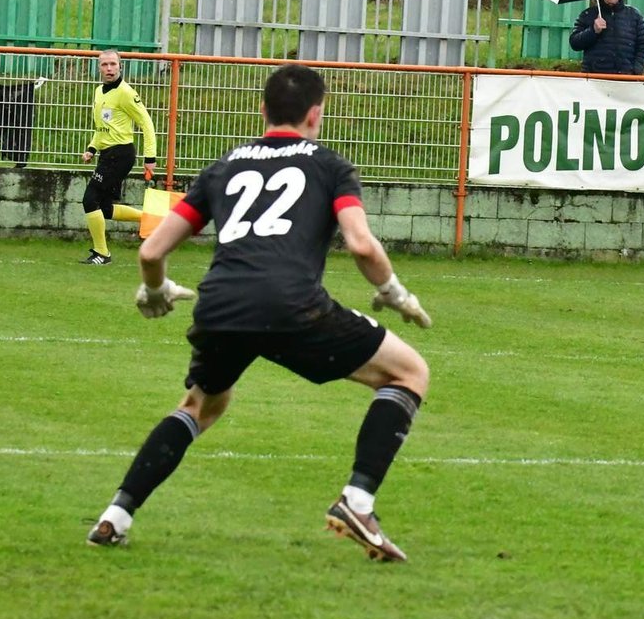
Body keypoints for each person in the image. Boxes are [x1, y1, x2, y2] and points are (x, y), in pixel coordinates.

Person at [86, 63, 434, 563]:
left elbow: (151, 251)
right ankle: (358, 501)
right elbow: (360, 243)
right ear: (316, 114)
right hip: (292, 305)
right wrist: (393, 291)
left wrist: (156, 289)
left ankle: (116, 514)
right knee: (409, 372)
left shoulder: (225, 165)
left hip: (220, 304)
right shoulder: (329, 165)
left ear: (263, 109)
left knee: (201, 405)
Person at [80, 49, 155, 265]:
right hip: (107, 154)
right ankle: (152, 220)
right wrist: (92, 148)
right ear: (99, 68)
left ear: (120, 66)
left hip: (121, 154)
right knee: (104, 208)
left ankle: (102, 253)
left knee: (90, 199)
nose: (109, 68)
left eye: (113, 64)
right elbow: (102, 127)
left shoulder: (126, 93)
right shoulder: (99, 92)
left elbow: (147, 123)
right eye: (105, 65)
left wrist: (150, 157)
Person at [569, 0, 644, 75]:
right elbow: (574, 43)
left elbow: (643, 44)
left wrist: (636, 69)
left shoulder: (634, 15)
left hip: (626, 77)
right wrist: (593, 30)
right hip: (594, 77)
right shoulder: (588, 14)